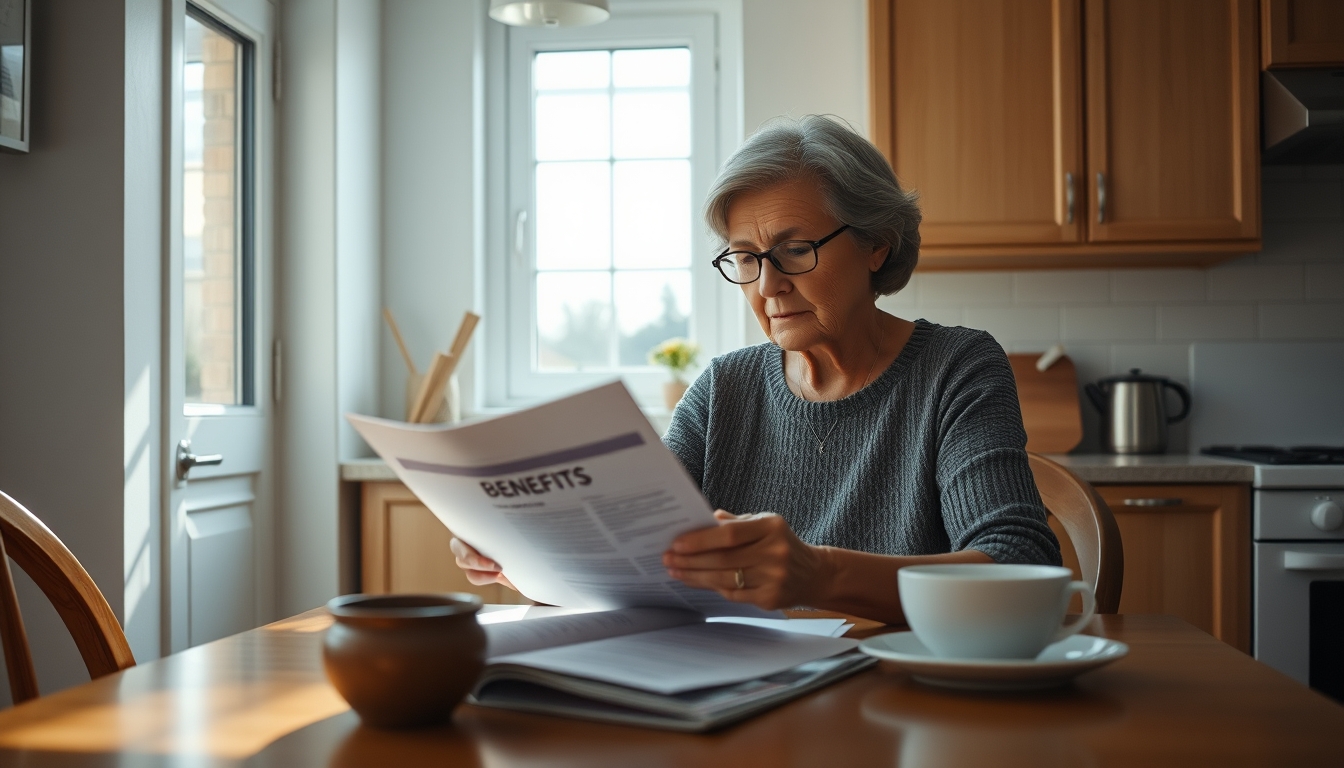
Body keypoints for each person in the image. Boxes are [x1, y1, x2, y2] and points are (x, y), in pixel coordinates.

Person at [452, 115, 1061, 624]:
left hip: (902, 700)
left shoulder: (956, 368)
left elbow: (1018, 568)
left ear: (877, 242)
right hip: (739, 702)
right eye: (745, 257)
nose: (767, 285)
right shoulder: (723, 389)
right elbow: (637, 563)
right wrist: (531, 557)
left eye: (795, 250)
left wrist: (817, 574)